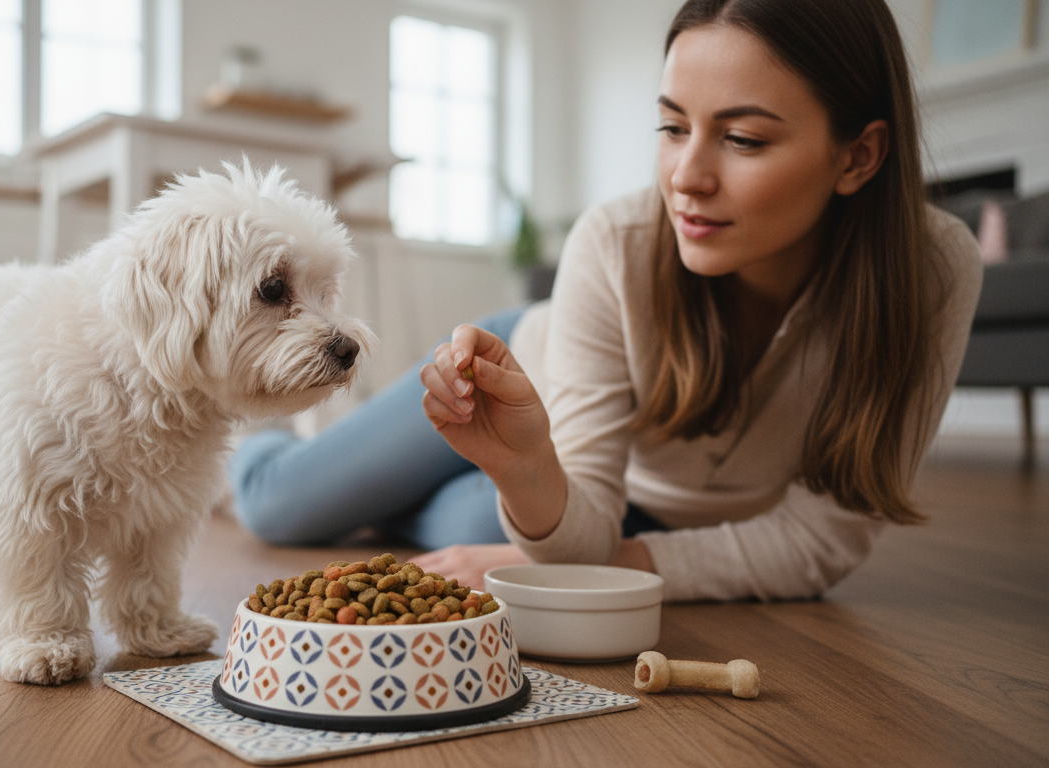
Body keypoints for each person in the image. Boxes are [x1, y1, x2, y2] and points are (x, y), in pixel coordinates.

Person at [229, 0, 982, 601]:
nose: (686, 176)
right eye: (672, 126)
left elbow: (820, 542)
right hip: (527, 373)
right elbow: (577, 539)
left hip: (629, 506)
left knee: (476, 526)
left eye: (744, 139)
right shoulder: (616, 243)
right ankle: (249, 448)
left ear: (858, 156)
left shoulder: (935, 271)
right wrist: (552, 518)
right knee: (275, 506)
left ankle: (390, 490)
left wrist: (585, 547)